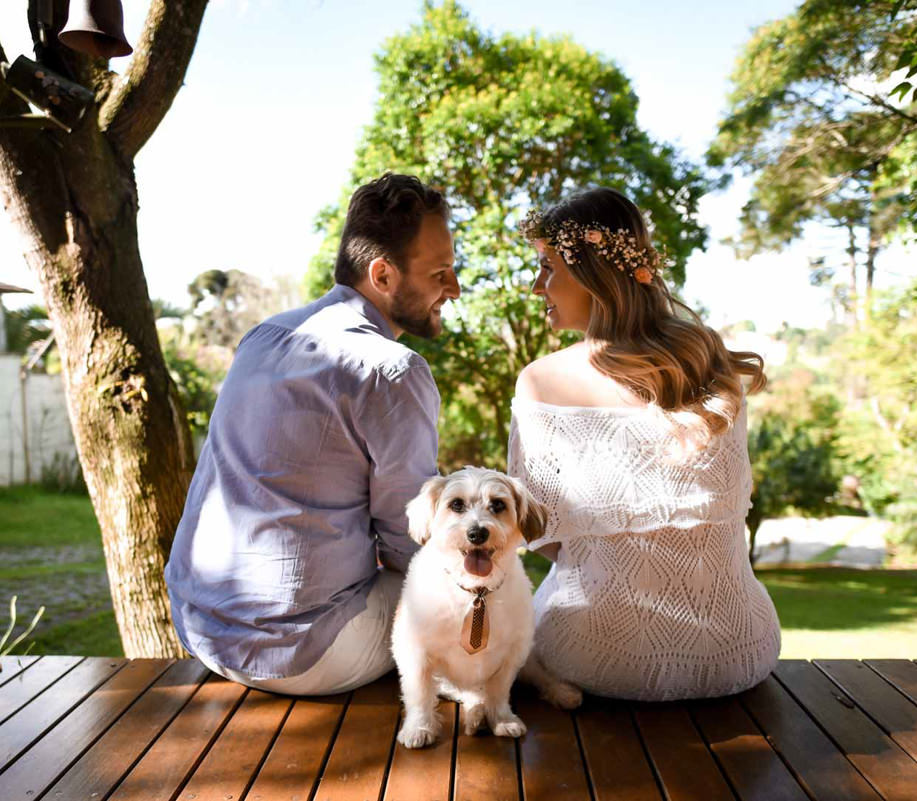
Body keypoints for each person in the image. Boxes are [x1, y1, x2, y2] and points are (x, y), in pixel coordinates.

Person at [165, 173, 460, 695]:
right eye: (441, 273)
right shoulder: (392, 370)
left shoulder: (264, 337)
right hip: (302, 652)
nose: (454, 289)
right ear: (383, 274)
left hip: (202, 628)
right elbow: (407, 538)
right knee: (463, 590)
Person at [509, 187, 780, 701]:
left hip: (597, 655)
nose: (536, 284)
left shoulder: (542, 381)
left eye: (547, 267)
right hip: (741, 649)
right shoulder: (709, 362)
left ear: (590, 274)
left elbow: (541, 534)